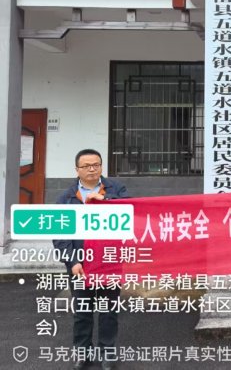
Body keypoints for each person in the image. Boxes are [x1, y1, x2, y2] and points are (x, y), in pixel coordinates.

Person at [53, 149, 128, 370]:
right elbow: (60, 235)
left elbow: (132, 211)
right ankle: (82, 353)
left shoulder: (116, 189)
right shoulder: (66, 198)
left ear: (101, 166)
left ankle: (108, 353)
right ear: (77, 170)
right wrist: (72, 261)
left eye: (96, 164)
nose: (92, 169)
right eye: (86, 166)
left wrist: (106, 201)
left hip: (109, 261)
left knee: (108, 311)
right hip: (80, 264)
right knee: (82, 312)